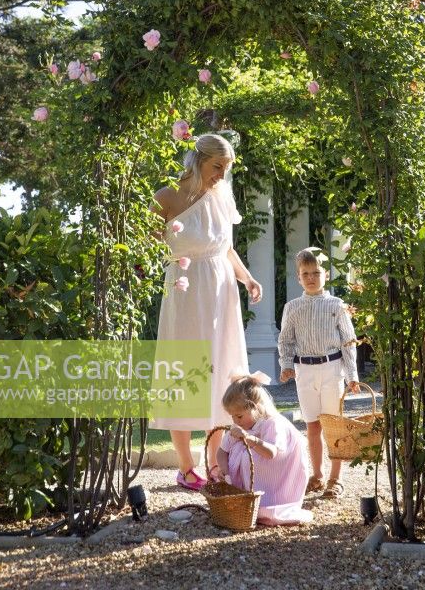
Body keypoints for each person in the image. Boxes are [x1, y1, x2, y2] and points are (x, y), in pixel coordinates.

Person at [152, 133, 262, 491]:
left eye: (226, 169)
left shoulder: (221, 197)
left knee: (220, 371)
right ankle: (186, 468)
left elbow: (226, 249)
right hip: (184, 294)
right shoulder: (166, 197)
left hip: (220, 294)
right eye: (218, 167)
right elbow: (142, 245)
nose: (221, 175)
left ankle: (215, 465)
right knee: (185, 373)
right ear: (198, 160)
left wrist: (247, 279)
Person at [278, 248, 360, 498]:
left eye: (316, 272)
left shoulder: (337, 305)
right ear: (298, 277)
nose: (311, 277)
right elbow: (286, 340)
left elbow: (348, 341)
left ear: (325, 275)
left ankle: (336, 478)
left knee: (333, 425)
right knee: (312, 426)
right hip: (305, 371)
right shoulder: (292, 307)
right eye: (306, 273)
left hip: (331, 369)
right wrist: (286, 365)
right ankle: (317, 474)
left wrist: (352, 375)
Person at [216, 373, 313, 526]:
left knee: (250, 458)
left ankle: (266, 505)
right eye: (232, 416)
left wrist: (250, 439)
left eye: (239, 416)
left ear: (255, 408)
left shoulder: (272, 424)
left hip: (274, 477)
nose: (235, 421)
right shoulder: (239, 427)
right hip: (248, 479)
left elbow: (271, 453)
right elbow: (222, 451)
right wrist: (225, 470)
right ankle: (246, 501)